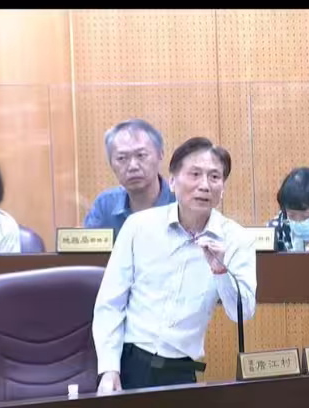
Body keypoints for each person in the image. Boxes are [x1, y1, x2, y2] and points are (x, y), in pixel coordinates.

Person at [92, 137, 257, 392]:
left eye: (214, 177)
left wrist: (220, 271)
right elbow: (111, 303)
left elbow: (242, 313)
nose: (204, 185)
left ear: (222, 188)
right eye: (195, 174)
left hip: (180, 370)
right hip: (128, 363)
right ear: (172, 181)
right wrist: (109, 369)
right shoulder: (139, 227)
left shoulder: (237, 239)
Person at [83, 119, 176, 238]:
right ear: (111, 163)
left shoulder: (181, 201)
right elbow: (88, 248)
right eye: (122, 158)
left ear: (160, 154)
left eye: (141, 155)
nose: (133, 166)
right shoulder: (105, 205)